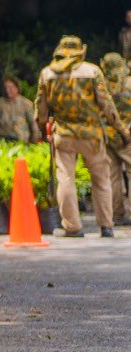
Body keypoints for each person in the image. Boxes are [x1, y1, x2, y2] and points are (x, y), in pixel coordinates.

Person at [35, 36, 129, 238]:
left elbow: (41, 110)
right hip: (92, 135)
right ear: (81, 51)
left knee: (66, 179)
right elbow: (107, 106)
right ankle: (106, 226)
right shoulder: (92, 71)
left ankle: (72, 227)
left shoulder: (47, 74)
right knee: (101, 180)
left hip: (64, 135)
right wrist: (122, 130)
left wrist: (42, 130)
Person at [101, 53, 131, 226]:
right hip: (128, 135)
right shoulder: (129, 83)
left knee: (113, 176)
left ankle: (117, 215)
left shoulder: (101, 85)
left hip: (108, 136)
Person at [0, 75, 39, 143]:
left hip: (21, 141)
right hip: (3, 141)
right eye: (5, 88)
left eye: (10, 87)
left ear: (17, 88)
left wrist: (33, 142)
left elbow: (33, 125)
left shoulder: (26, 104)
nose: (8, 90)